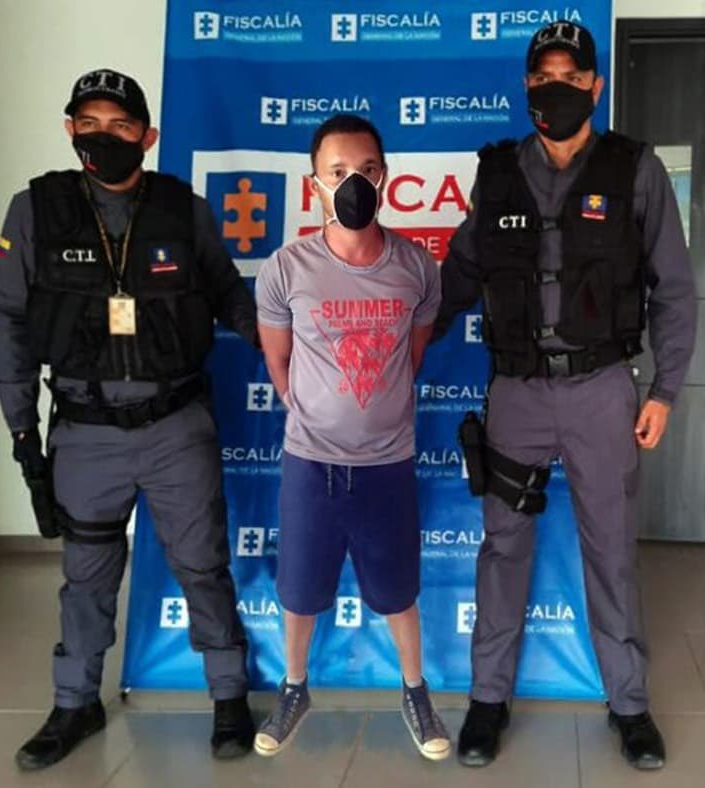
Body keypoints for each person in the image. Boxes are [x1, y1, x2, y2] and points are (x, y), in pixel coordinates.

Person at [431, 22, 698, 770]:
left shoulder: (635, 170)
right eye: (543, 76)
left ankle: (629, 705)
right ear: (527, 86)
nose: (557, 88)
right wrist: (402, 341)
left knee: (611, 550)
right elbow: (459, 276)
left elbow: (674, 289)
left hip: (601, 392)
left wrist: (665, 390)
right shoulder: (498, 173)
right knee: (503, 547)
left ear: (594, 86)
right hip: (516, 392)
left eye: (571, 77)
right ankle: (487, 701)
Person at [0, 68, 259, 770]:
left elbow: (229, 294)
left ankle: (229, 695)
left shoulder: (182, 210)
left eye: (121, 125)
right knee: (86, 576)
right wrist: (22, 433)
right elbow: (11, 324)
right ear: (70, 129)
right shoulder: (35, 210)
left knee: (202, 565)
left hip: (175, 424)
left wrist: (285, 344)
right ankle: (75, 702)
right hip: (85, 431)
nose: (103, 137)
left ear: (148, 136)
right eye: (89, 124)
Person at [253, 114, 450, 760]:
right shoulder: (285, 269)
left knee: (398, 591)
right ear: (314, 184)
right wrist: (317, 412)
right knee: (300, 590)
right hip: (311, 463)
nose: (353, 184)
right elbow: (278, 362)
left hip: (387, 463)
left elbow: (412, 356)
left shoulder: (417, 267)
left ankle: (415, 691)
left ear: (385, 177)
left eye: (365, 171)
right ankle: (293, 687)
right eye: (338, 173)